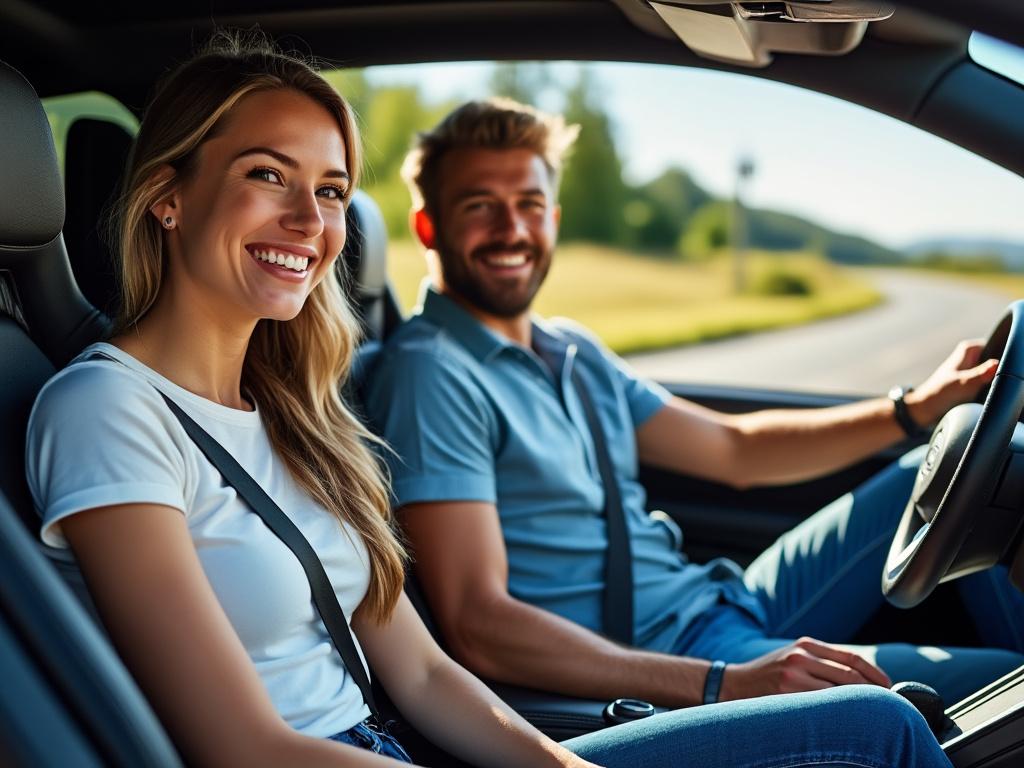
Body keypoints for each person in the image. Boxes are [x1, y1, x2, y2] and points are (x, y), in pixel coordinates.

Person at [23, 36, 953, 768]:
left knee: (882, 721)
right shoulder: (109, 412)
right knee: (880, 734)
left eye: (332, 189)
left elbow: (423, 671)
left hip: (401, 743)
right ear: (167, 198)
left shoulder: (298, 415)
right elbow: (243, 748)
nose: (310, 222)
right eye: (268, 175)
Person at [364, 97, 1024, 714]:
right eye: (480, 205)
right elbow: (478, 625)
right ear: (429, 226)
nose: (512, 228)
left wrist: (915, 408)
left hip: (719, 598)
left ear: (553, 219)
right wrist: (723, 684)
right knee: (1003, 683)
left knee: (970, 465)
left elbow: (734, 450)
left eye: (530, 203)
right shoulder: (431, 377)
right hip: (661, 657)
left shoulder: (570, 349)